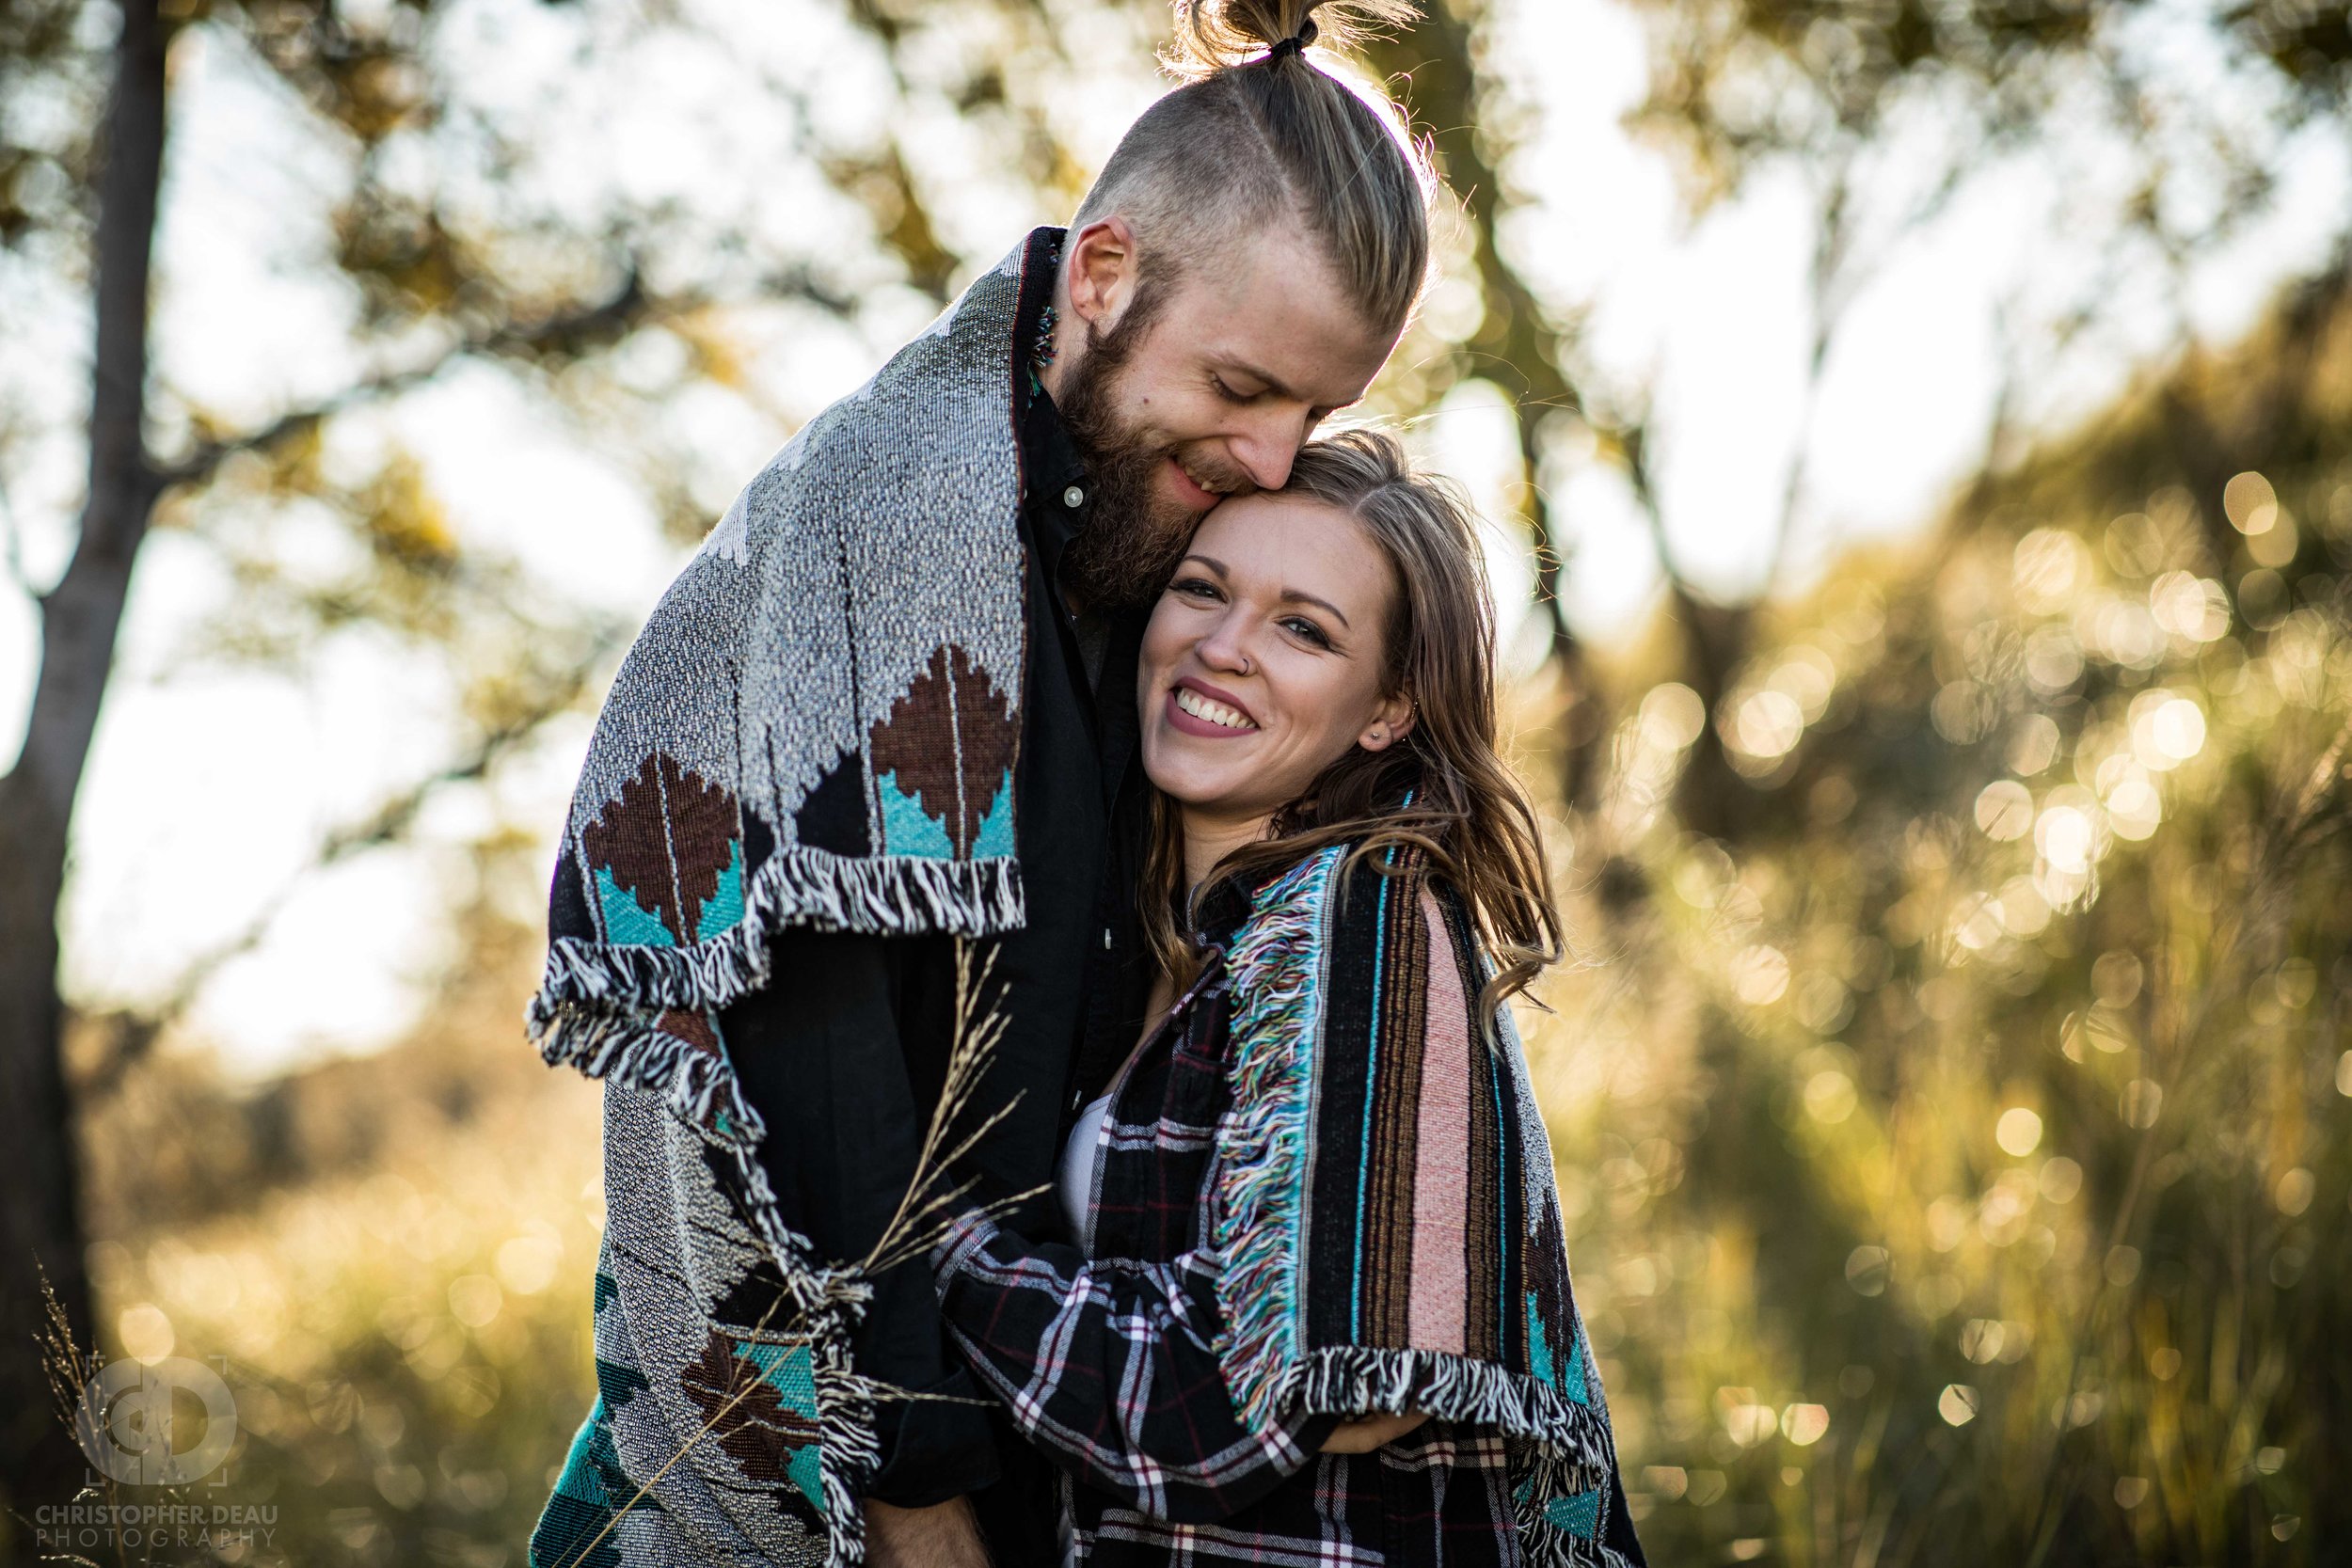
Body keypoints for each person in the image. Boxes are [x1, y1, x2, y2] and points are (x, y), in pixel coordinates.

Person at [525, 4, 1438, 1565]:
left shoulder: (1116, 504)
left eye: (1316, 413)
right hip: (859, 1441)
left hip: (1050, 1397)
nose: (1276, 456)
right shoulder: (900, 515)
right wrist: (917, 1488)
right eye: (1239, 382)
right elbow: (817, 1052)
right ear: (1102, 276)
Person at [930, 430, 1646, 1565]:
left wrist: (919, 1252)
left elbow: (1263, 1405)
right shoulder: (1146, 933)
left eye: (1302, 627)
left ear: (1387, 708)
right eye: (1200, 590)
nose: (1222, 647)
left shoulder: (1368, 918)